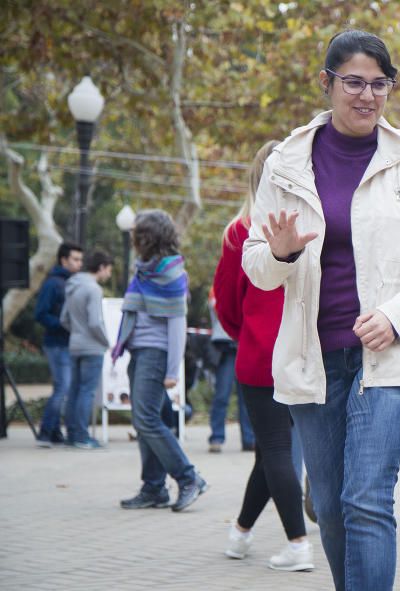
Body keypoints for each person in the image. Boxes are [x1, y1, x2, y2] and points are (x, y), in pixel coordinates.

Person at [242, 30, 400, 590]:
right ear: (326, 83)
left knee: (366, 498)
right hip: (312, 360)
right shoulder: (286, 162)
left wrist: (398, 316)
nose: (367, 95)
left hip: (391, 360)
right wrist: (280, 251)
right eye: (353, 82)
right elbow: (257, 266)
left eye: (379, 84)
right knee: (331, 503)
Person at [214, 140, 313, 572]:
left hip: (260, 354)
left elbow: (227, 303)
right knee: (271, 453)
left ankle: (296, 543)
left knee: (274, 449)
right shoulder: (315, 229)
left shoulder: (240, 231)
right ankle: (240, 534)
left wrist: (249, 333)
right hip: (307, 353)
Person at [114, 210, 207, 512]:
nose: (132, 237)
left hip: (155, 355)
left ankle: (189, 477)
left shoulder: (171, 273)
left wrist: (172, 370)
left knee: (146, 420)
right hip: (138, 352)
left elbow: (177, 325)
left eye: (136, 233)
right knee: (150, 420)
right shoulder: (143, 270)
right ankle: (154, 488)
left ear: (147, 238)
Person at [59, 250, 113, 450]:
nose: (108, 274)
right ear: (101, 267)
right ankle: (82, 436)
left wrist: (77, 332)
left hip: (75, 344)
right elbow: (95, 322)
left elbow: (64, 318)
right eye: (108, 269)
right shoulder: (93, 289)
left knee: (74, 389)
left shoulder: (72, 286)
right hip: (92, 347)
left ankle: (72, 434)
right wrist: (106, 341)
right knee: (87, 391)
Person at [34, 242, 83, 447]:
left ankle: (54, 432)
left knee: (62, 388)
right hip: (56, 343)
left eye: (81, 260)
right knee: (63, 387)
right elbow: (40, 313)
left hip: (67, 343)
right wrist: (63, 325)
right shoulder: (53, 283)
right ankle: (46, 433)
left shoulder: (72, 282)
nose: (79, 264)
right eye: (75, 259)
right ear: (63, 260)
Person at [207, 287, 255, 453]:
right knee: (222, 395)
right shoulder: (217, 287)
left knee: (247, 397)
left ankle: (249, 439)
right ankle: (217, 437)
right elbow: (216, 307)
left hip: (245, 342)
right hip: (226, 346)